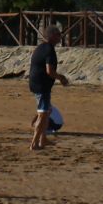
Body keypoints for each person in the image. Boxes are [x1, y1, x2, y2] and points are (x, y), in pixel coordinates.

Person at [27, 21, 70, 150]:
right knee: (43, 114)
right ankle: (34, 143)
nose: (60, 37)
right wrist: (61, 78)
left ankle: (43, 139)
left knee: (47, 111)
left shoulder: (41, 47)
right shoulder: (49, 50)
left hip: (36, 83)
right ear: (51, 36)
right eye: (58, 35)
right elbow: (49, 71)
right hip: (41, 85)